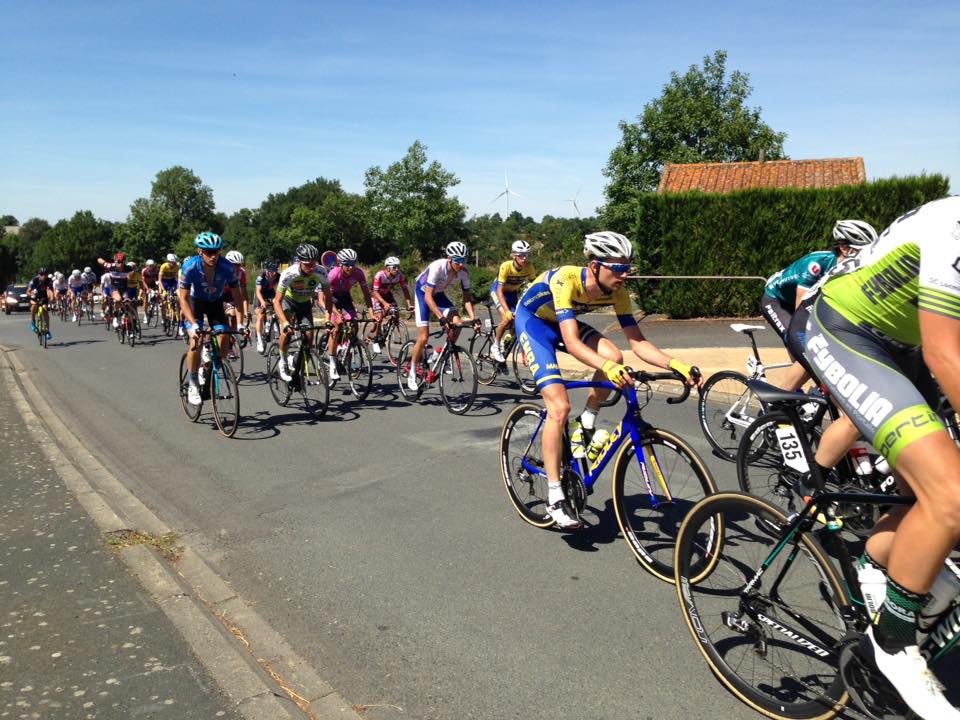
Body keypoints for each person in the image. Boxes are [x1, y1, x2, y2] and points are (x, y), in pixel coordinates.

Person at [804, 197, 960, 719]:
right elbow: (945, 352)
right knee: (952, 493)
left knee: (923, 488)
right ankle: (893, 642)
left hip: (903, 342)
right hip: (844, 328)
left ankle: (881, 563)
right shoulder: (953, 225)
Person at [515, 231, 699, 529]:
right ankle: (555, 495)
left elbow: (638, 342)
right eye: (619, 268)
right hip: (533, 322)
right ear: (595, 265)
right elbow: (573, 343)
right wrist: (607, 369)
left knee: (615, 355)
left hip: (561, 322)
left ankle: (585, 419)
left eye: (628, 268)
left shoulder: (618, 291)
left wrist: (677, 364)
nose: (625, 276)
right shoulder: (566, 279)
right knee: (558, 407)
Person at [761, 219, 877, 392]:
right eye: (862, 252)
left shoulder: (852, 270)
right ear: (844, 248)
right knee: (805, 352)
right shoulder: (817, 264)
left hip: (801, 304)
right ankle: (779, 402)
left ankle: (798, 393)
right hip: (777, 300)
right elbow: (800, 306)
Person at [178, 232, 246, 405]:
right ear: (200, 251)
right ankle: (193, 382)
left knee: (224, 339)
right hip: (196, 303)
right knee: (196, 341)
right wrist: (193, 324)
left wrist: (242, 323)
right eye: (208, 252)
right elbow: (183, 299)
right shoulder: (190, 267)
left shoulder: (227, 267)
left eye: (216, 251)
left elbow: (238, 297)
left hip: (216, 303)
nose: (213, 256)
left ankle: (210, 367)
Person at [408, 242, 481, 392]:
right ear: (449, 258)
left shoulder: (464, 273)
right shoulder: (438, 267)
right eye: (457, 261)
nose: (461, 264)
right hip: (423, 294)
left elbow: (467, 298)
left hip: (439, 294)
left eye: (464, 260)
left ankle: (441, 355)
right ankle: (412, 371)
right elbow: (428, 297)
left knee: (458, 323)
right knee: (423, 337)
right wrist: (440, 317)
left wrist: (473, 318)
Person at [273, 243, 334, 382]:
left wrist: (327, 318)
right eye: (308, 264)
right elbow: (276, 301)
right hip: (288, 301)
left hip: (305, 303)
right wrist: (285, 322)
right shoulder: (289, 273)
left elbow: (328, 298)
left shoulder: (321, 271)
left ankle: (298, 364)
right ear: (300, 262)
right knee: (287, 331)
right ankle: (282, 360)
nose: (312, 267)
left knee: (309, 335)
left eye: (314, 263)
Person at [325, 249, 374, 380]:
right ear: (340, 263)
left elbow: (366, 295)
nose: (351, 267)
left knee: (353, 322)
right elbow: (326, 298)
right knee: (337, 325)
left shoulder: (358, 273)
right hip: (330, 298)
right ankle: (332, 362)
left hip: (345, 297)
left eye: (353, 264)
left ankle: (344, 347)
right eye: (347, 264)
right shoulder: (333, 274)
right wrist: (336, 313)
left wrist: (371, 313)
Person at [490, 240, 537, 362]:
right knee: (507, 319)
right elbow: (499, 291)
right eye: (521, 255)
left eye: (527, 254)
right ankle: (495, 346)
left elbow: (535, 287)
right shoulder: (506, 266)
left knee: (518, 322)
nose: (525, 258)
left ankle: (507, 342)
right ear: (514, 256)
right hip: (498, 292)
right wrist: (506, 311)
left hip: (512, 294)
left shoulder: (529, 267)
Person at [369, 256, 413, 347]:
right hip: (376, 295)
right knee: (379, 317)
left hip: (387, 295)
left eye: (398, 267)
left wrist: (409, 304)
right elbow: (375, 292)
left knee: (395, 312)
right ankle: (376, 340)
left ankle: (386, 328)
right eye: (394, 267)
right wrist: (384, 303)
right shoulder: (380, 275)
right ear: (388, 268)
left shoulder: (399, 275)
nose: (397, 269)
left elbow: (405, 290)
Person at [222, 250, 250, 359]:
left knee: (235, 318)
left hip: (231, 294)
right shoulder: (221, 271)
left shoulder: (241, 273)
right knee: (217, 323)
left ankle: (230, 342)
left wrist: (246, 311)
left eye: (239, 265)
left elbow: (244, 296)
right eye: (235, 265)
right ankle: (206, 346)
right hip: (218, 294)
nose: (237, 268)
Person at [253, 260, 280, 353]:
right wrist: (262, 301)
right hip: (260, 295)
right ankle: (259, 339)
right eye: (272, 271)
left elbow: (281, 290)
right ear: (267, 271)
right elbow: (258, 291)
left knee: (278, 306)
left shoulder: (278, 276)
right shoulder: (261, 277)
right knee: (260, 315)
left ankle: (273, 323)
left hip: (270, 293)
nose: (274, 273)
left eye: (275, 271)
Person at [27, 267, 54, 338]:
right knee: (34, 306)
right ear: (39, 274)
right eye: (42, 274)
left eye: (45, 274)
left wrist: (52, 298)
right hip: (34, 294)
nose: (43, 276)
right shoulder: (34, 280)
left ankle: (47, 331)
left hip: (43, 295)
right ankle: (33, 321)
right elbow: (28, 291)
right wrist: (31, 295)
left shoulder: (49, 280)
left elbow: (50, 291)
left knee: (45, 310)